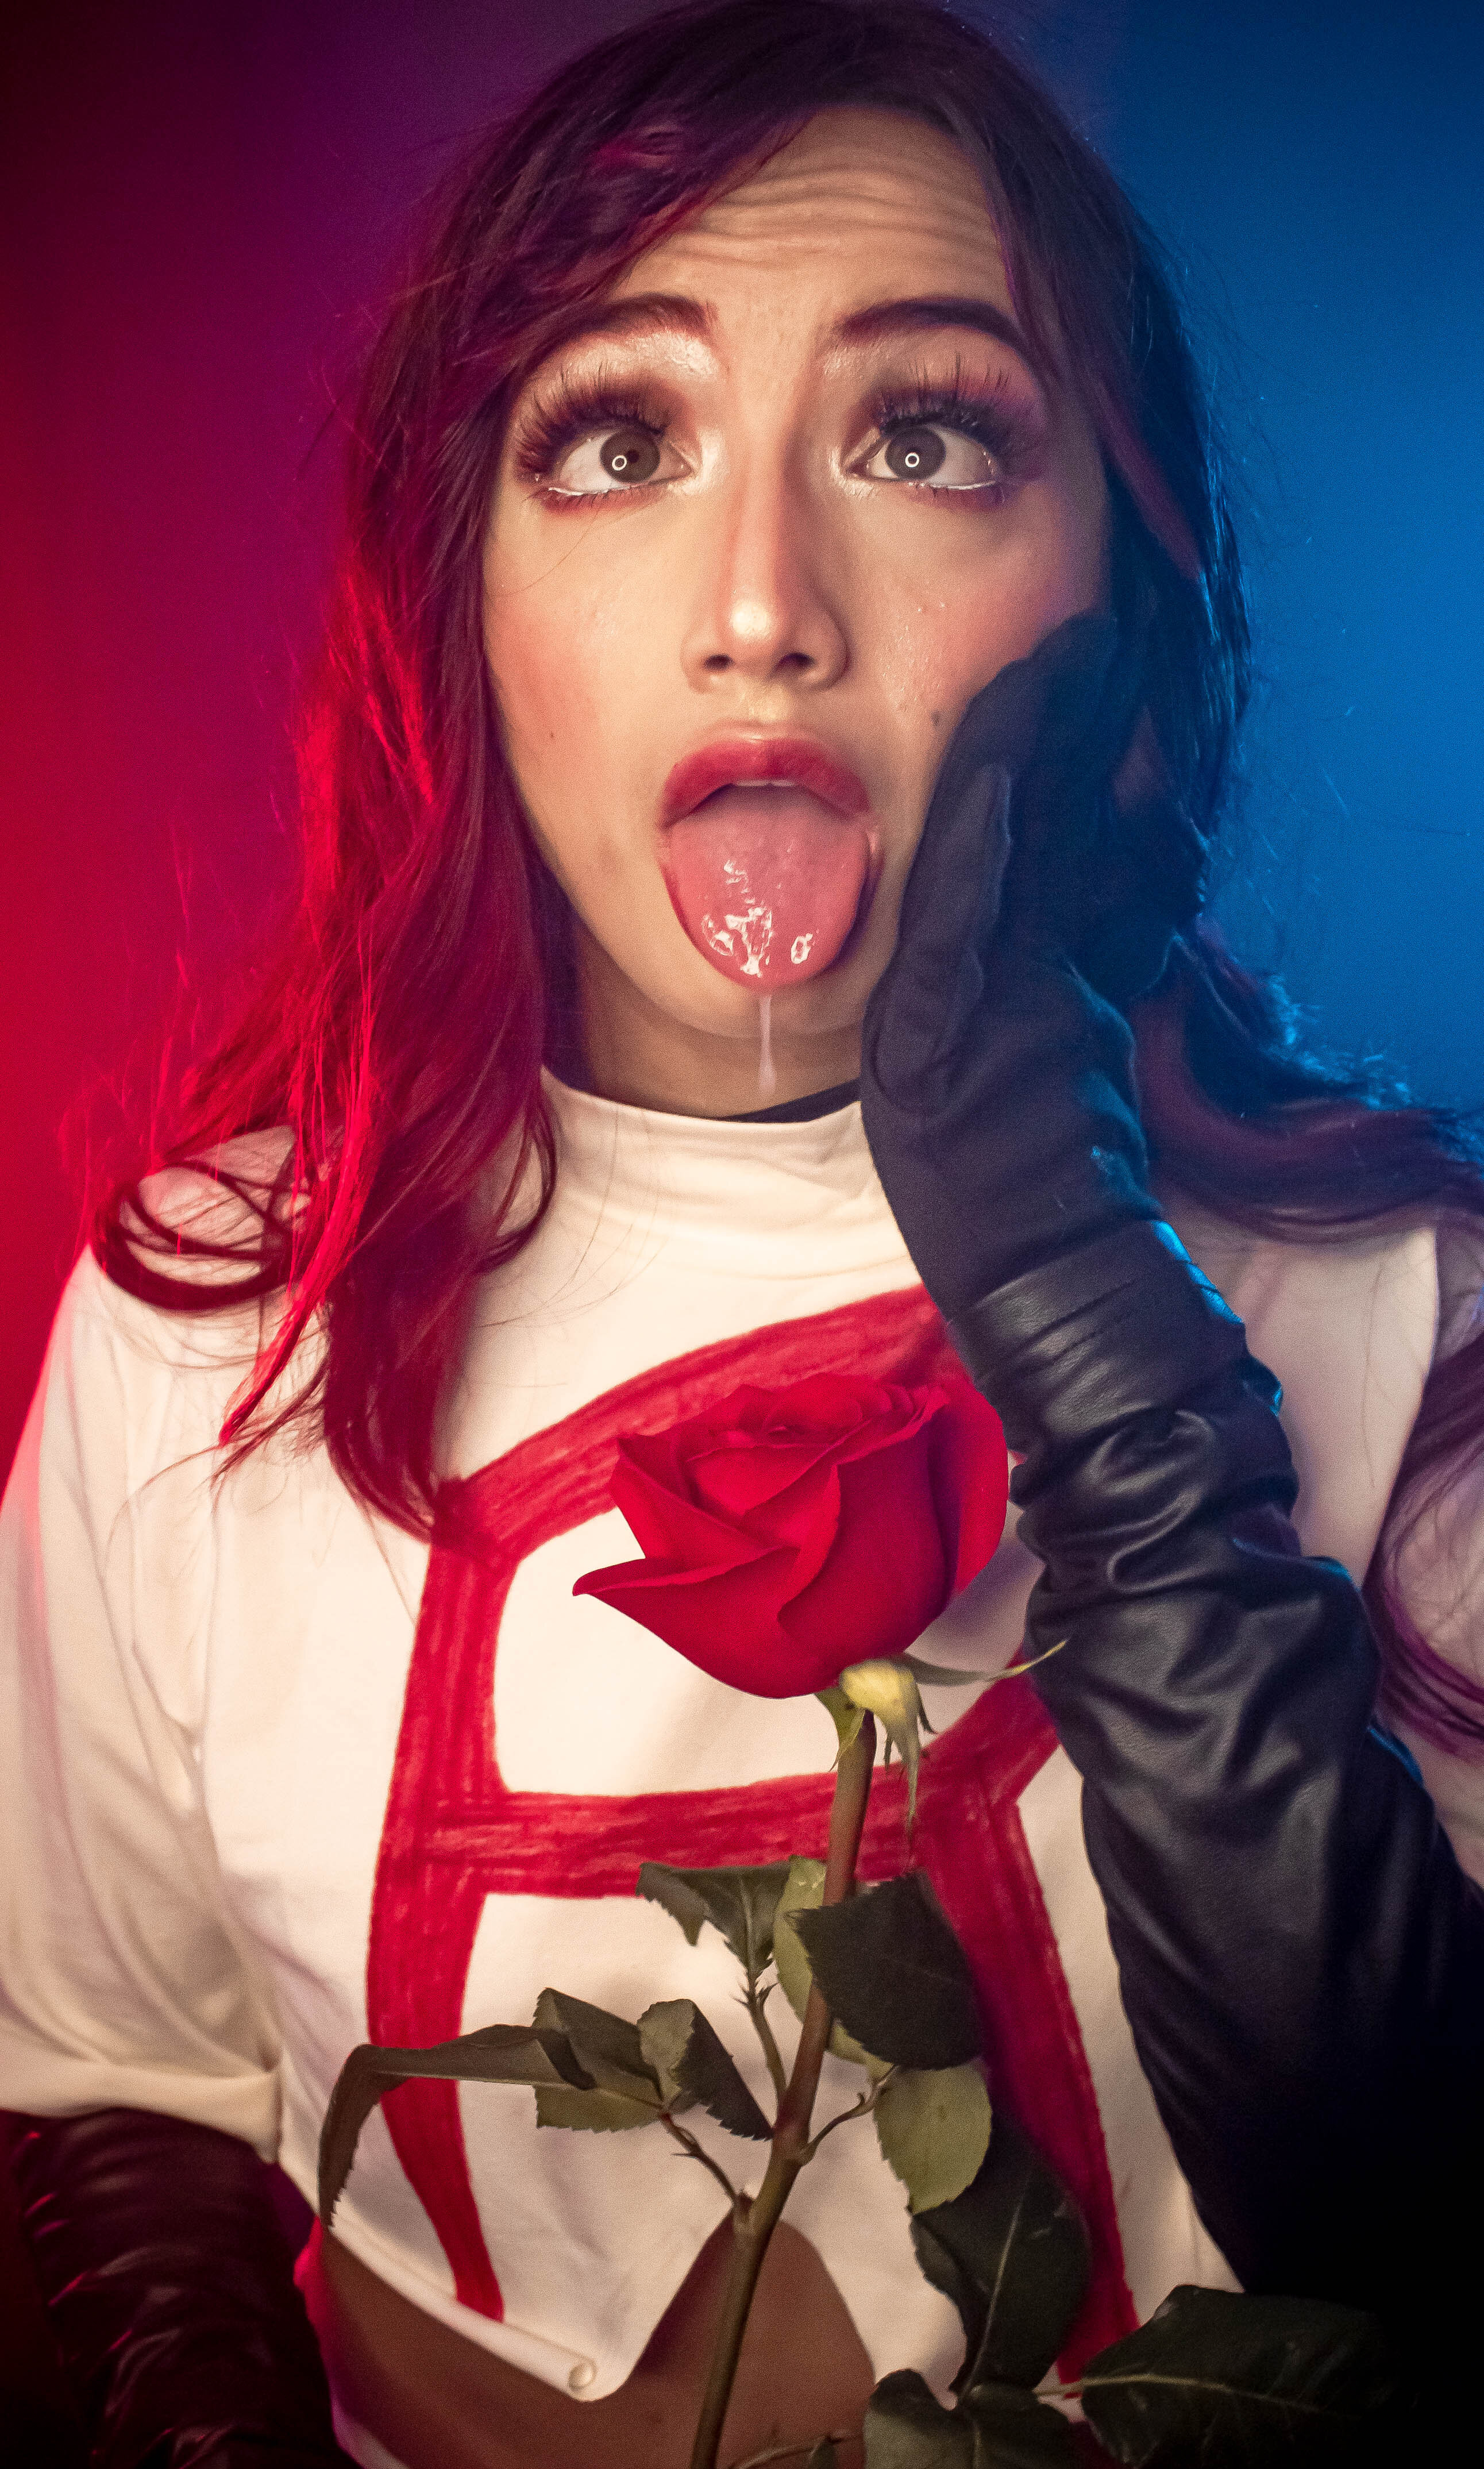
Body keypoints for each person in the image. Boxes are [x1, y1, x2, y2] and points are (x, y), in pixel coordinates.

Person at [3, 3, 1482, 2464]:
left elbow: (1413, 2230)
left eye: (925, 437)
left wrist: (1059, 1244)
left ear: (1119, 593)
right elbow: (116, 2084)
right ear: (467, 594)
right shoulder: (205, 1315)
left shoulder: (1406, 1301)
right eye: (620, 441)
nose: (766, 604)